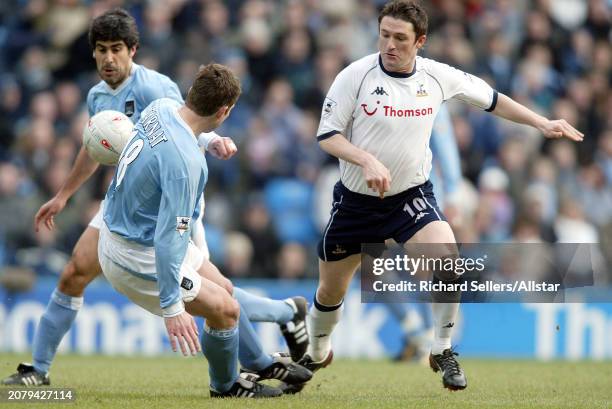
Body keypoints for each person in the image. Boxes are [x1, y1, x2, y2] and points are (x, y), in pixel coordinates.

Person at [2, 8, 309, 388]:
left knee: (221, 295)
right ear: (93, 53)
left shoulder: (156, 89)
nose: (108, 58)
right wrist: (64, 195)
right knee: (73, 273)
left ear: (133, 50)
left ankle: (275, 328)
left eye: (116, 49)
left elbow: (190, 122)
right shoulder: (98, 95)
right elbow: (93, 147)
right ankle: (38, 370)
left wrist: (214, 141)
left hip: (172, 207)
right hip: (127, 202)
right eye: (101, 50)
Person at [296, 0, 583, 392]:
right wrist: (365, 160)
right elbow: (327, 135)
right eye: (384, 35)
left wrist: (541, 121)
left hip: (409, 197)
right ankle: (316, 349)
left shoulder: (437, 76)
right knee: (331, 291)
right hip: (356, 201)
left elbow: (493, 99)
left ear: (421, 41)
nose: (390, 45)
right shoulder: (354, 76)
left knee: (448, 263)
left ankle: (442, 349)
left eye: (400, 38)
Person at [97, 62, 282, 397]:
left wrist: (209, 140)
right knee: (225, 311)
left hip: (120, 227)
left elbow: (179, 128)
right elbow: (170, 237)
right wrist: (172, 307)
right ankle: (226, 387)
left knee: (224, 288)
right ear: (224, 111)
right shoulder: (185, 164)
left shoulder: (162, 107)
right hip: (135, 253)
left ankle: (260, 361)